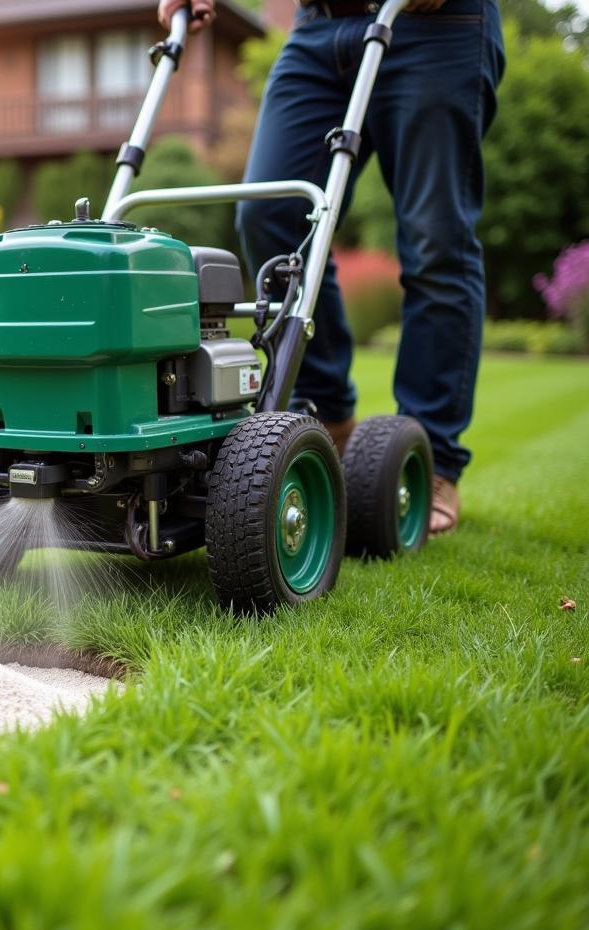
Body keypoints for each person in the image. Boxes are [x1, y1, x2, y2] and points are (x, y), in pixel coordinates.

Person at [158, 0, 505, 533]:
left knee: (436, 240)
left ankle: (429, 459)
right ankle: (329, 418)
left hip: (436, 23)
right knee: (270, 213)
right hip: (321, 25)